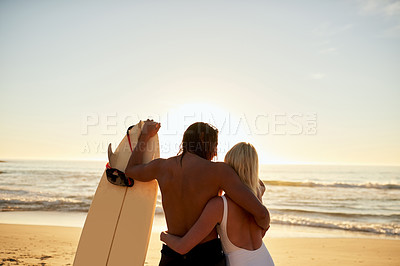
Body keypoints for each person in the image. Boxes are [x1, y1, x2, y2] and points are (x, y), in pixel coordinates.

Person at [125, 120, 270, 266]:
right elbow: (261, 213)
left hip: (172, 255)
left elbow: (130, 170)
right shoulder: (219, 171)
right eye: (215, 145)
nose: (215, 153)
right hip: (207, 256)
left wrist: (145, 136)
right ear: (202, 138)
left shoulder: (161, 167)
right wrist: (260, 230)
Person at [160, 142, 274, 266]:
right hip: (265, 259)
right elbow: (258, 185)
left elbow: (182, 247)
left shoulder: (219, 205)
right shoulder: (258, 193)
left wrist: (164, 235)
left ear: (228, 167)